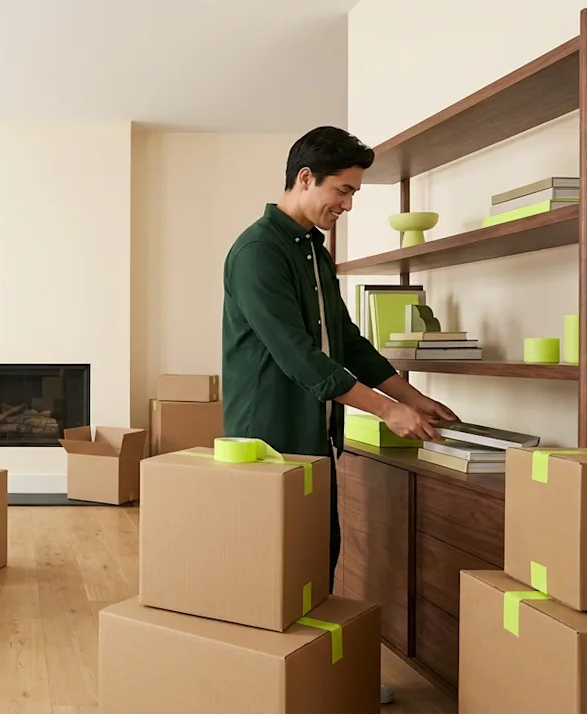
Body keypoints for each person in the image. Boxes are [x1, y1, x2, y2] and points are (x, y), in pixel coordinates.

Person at [221, 126, 458, 706]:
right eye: (343, 191)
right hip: (266, 433)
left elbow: (345, 341)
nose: (347, 206)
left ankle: (316, 677)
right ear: (305, 179)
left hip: (314, 427)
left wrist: (411, 395)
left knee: (314, 555)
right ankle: (264, 682)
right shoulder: (257, 252)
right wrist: (387, 412)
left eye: (353, 194)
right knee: (272, 562)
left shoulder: (311, 250)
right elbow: (299, 355)